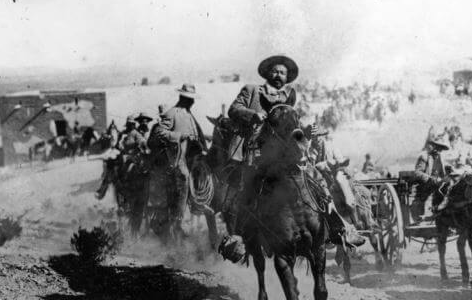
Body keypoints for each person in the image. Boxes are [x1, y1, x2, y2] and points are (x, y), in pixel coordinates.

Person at [227, 55, 363, 247]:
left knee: (316, 182)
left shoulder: (288, 96)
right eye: (274, 71)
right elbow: (233, 110)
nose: (278, 75)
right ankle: (239, 239)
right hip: (255, 150)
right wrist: (253, 115)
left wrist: (308, 129)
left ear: (287, 77)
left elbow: (294, 122)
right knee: (249, 190)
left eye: (282, 72)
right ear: (267, 73)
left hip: (284, 154)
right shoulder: (252, 90)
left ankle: (340, 228)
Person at [147, 84, 209, 239]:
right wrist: (178, 135)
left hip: (194, 160)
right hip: (179, 163)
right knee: (182, 181)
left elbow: (196, 135)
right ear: (183, 98)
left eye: (192, 99)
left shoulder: (190, 115)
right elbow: (159, 133)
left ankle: (199, 208)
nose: (192, 102)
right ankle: (177, 227)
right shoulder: (172, 113)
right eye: (189, 99)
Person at [411, 136, 451, 220]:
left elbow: (444, 173)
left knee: (450, 188)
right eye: (438, 147)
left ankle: (443, 214)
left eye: (441, 148)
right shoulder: (424, 157)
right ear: (433, 146)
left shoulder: (442, 159)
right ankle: (421, 214)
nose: (439, 150)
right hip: (425, 185)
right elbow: (417, 173)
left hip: (438, 186)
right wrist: (430, 179)